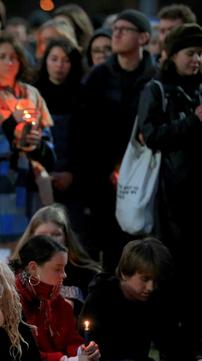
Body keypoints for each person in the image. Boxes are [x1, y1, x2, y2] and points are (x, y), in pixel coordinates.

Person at [137, 24, 202, 361]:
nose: (197, 60)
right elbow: (151, 135)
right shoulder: (157, 89)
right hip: (171, 203)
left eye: (201, 54)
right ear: (174, 55)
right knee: (171, 281)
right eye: (191, 53)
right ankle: (175, 360)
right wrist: (192, 121)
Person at [81, 238, 201, 361]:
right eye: (144, 279)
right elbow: (114, 350)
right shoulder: (102, 295)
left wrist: (197, 358)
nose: (150, 287)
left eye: (155, 280)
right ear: (125, 273)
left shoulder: (154, 298)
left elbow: (171, 341)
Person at [12, 235, 127, 361]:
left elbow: (70, 338)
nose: (64, 275)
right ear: (33, 268)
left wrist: (82, 353)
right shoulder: (15, 301)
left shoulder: (54, 297)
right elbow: (26, 355)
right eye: (58, 269)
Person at [77, 9, 157, 269]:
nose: (117, 34)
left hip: (143, 173)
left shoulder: (155, 77)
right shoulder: (98, 77)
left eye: (126, 29)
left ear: (143, 38)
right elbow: (84, 129)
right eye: (116, 29)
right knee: (110, 249)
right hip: (102, 176)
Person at [0, 33, 56, 248]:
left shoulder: (32, 94)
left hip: (31, 179)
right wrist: (9, 124)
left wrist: (38, 145)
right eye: (2, 56)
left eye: (14, 57)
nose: (9, 62)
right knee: (3, 251)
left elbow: (48, 142)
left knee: (35, 247)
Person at [33, 39, 83, 228]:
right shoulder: (34, 93)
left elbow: (88, 142)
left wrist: (72, 174)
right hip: (40, 177)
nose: (59, 65)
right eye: (54, 59)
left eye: (65, 60)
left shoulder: (82, 95)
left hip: (74, 179)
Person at [11, 204, 101, 309]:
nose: (50, 240)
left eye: (56, 234)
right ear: (31, 238)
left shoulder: (88, 274)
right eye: (42, 234)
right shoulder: (14, 274)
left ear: (66, 237)